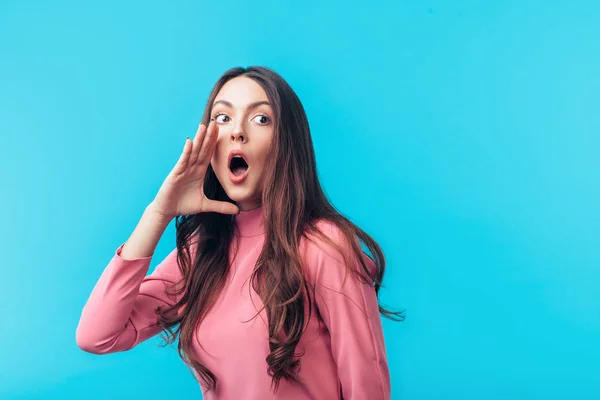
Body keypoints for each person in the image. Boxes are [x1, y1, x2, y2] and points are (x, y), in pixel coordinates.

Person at [76, 66, 404, 400]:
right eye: (222, 118)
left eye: (261, 119)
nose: (237, 133)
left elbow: (367, 385)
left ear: (286, 143)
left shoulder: (324, 245)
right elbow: (97, 336)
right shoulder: (202, 250)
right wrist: (158, 215)